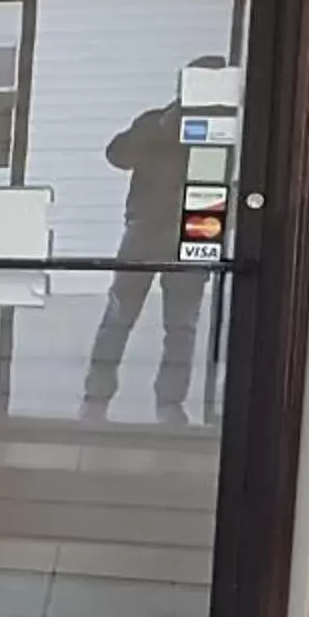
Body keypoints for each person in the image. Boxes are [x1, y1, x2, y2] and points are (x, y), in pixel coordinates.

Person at [85, 58, 223, 419]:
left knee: (182, 323)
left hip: (197, 228)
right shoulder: (155, 122)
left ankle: (170, 399)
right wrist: (163, 127)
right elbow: (117, 155)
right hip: (145, 227)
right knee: (120, 312)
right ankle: (97, 390)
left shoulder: (229, 129)